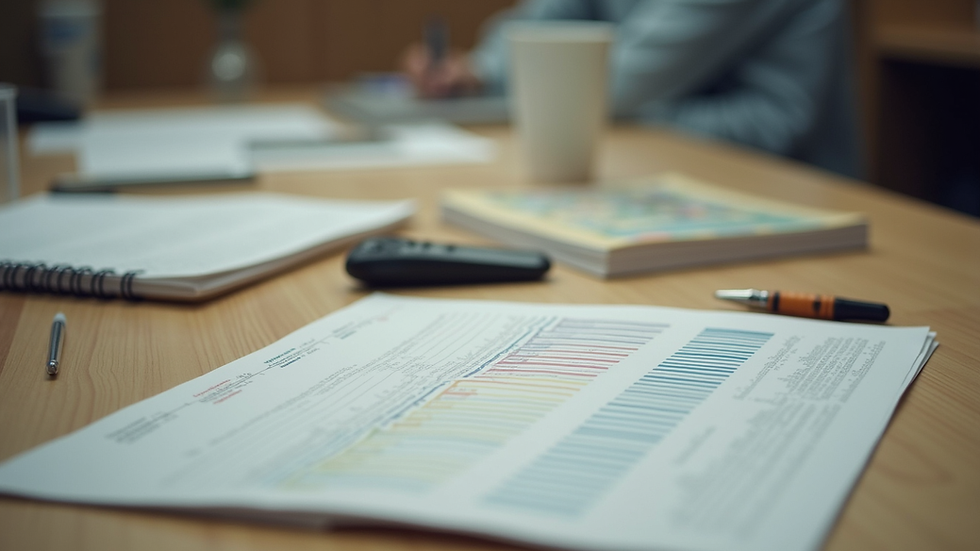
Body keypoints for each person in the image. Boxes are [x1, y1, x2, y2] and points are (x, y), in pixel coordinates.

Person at [402, 0, 862, 178]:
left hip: (774, 180)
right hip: (663, 157)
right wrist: (475, 69)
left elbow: (615, 83)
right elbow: (542, 20)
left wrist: (565, 97)